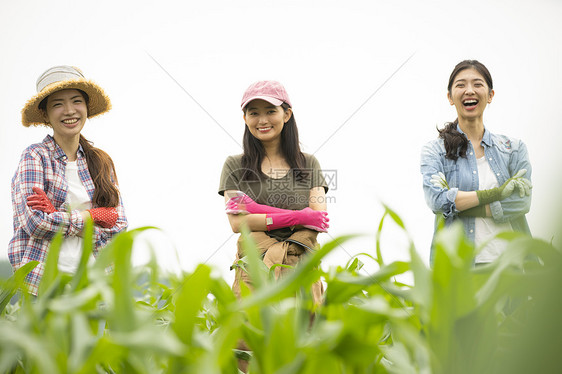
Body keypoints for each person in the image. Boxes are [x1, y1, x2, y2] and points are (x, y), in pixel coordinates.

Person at [9, 65, 128, 295]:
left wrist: (58, 215)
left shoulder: (101, 161)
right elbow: (35, 223)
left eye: (76, 101)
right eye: (57, 104)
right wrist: (91, 216)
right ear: (45, 114)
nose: (69, 110)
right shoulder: (35, 157)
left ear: (86, 107)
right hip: (43, 285)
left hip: (95, 287)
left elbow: (119, 226)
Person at [219, 80, 329, 305]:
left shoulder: (309, 164)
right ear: (245, 118)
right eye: (254, 113)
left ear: (287, 114)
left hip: (302, 268)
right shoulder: (234, 165)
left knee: (306, 337)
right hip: (254, 270)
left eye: (271, 111)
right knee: (250, 336)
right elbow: (238, 224)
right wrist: (298, 217)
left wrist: (255, 210)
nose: (262, 120)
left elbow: (319, 220)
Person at [420, 60, 532, 265]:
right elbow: (437, 200)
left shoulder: (513, 149)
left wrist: (462, 205)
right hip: (458, 269)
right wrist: (497, 194)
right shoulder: (435, 151)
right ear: (450, 97)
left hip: (511, 267)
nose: (469, 90)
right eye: (461, 85)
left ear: (490, 95)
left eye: (478, 84)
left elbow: (521, 202)